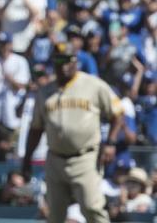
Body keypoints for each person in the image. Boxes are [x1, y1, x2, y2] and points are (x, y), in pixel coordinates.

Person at [22, 43, 123, 223]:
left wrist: (111, 143)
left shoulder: (93, 85)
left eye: (69, 60)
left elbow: (117, 113)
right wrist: (27, 158)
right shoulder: (45, 91)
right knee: (55, 214)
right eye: (60, 60)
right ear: (54, 62)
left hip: (85, 158)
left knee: (92, 208)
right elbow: (36, 129)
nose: (65, 65)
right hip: (55, 159)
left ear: (76, 61)